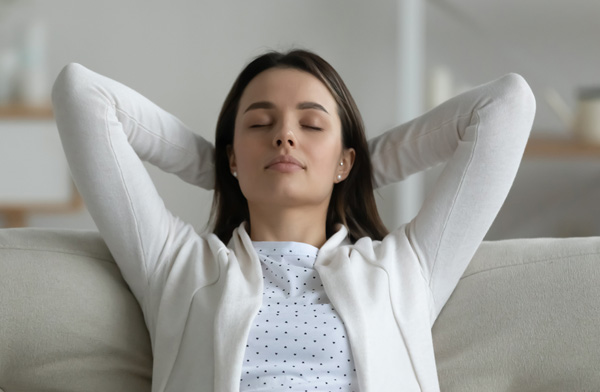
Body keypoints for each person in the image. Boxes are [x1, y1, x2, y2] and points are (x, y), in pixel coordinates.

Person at [51, 49, 535, 392]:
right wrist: (223, 169)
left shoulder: (404, 270)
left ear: (345, 159)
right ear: (233, 156)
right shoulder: (177, 269)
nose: (284, 135)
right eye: (260, 125)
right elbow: (82, 95)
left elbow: (507, 105)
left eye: (311, 125)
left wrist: (354, 170)